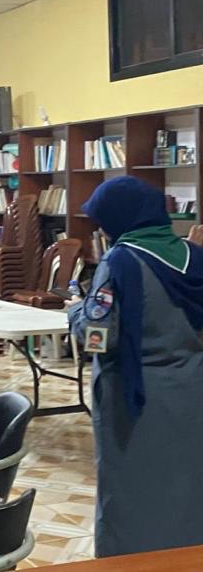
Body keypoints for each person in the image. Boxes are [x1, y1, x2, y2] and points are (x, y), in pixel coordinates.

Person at [69, 176, 203, 558]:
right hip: (193, 390)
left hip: (135, 399)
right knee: (187, 486)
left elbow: (98, 337)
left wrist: (77, 311)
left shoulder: (121, 261)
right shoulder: (195, 256)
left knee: (132, 491)